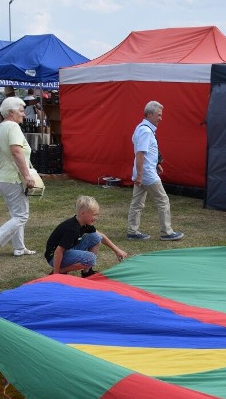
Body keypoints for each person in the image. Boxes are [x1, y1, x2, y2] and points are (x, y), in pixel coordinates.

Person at [0, 96, 37, 262]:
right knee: (21, 215)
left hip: (2, 177)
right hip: (12, 178)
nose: (23, 114)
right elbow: (16, 151)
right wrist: (27, 175)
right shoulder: (13, 127)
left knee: (16, 214)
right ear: (11, 112)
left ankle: (19, 248)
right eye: (21, 110)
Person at [126, 100, 184, 241]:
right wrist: (140, 175)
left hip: (143, 172)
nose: (160, 118)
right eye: (158, 115)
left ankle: (132, 231)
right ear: (149, 114)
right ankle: (166, 232)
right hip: (147, 174)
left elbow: (146, 152)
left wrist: (155, 164)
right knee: (163, 200)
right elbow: (140, 153)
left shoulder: (141, 127)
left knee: (137, 203)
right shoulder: (146, 131)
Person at [46, 196, 128, 277]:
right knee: (90, 259)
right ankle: (60, 272)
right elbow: (58, 251)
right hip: (54, 257)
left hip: (67, 250)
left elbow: (101, 236)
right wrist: (56, 274)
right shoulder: (72, 229)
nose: (96, 218)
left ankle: (86, 273)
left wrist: (117, 250)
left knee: (96, 237)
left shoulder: (84, 223)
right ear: (82, 213)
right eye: (94, 215)